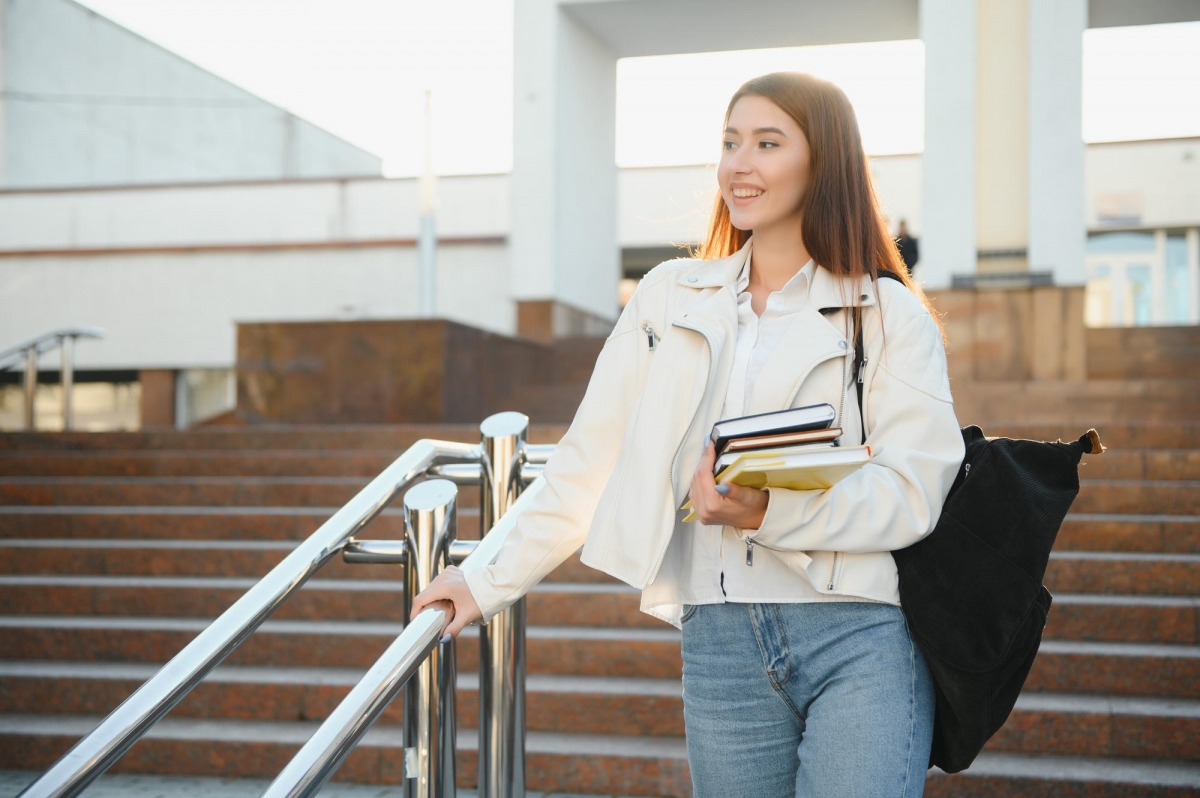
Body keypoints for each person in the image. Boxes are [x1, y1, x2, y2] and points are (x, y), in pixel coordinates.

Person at [411, 72, 965, 798]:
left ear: (821, 161)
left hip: (858, 635)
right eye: (731, 142)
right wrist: (483, 579)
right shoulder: (669, 298)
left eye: (768, 143)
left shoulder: (889, 314)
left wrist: (771, 511)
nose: (740, 163)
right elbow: (588, 462)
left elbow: (913, 491)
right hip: (721, 642)